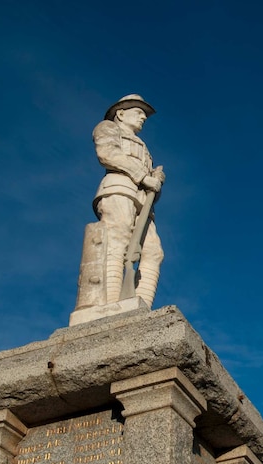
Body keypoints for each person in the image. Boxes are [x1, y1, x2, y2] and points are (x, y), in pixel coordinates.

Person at [89, 94, 165, 308]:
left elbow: (149, 184)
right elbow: (108, 154)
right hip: (119, 189)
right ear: (121, 114)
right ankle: (110, 303)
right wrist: (144, 176)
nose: (143, 118)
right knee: (117, 240)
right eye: (138, 112)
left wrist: (155, 182)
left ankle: (141, 306)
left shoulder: (144, 147)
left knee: (153, 252)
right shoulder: (108, 128)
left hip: (143, 202)